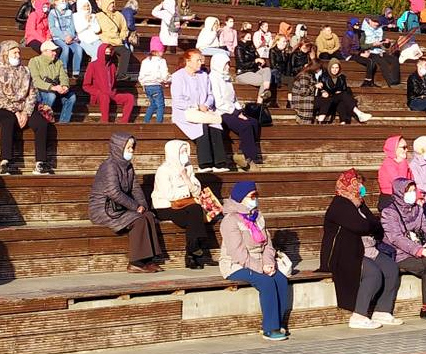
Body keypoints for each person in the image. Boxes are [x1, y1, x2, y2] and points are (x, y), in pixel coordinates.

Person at [320, 169, 400, 329]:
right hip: (344, 254)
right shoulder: (340, 204)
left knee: (391, 268)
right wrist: (369, 225)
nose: (362, 188)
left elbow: (377, 227)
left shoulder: (359, 204)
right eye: (359, 184)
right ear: (351, 185)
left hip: (367, 249)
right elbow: (361, 225)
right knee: (373, 273)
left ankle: (382, 310)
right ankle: (359, 315)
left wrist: (369, 225)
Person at [219, 181, 292, 339]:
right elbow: (238, 254)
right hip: (236, 264)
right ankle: (269, 328)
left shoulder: (258, 217)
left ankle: (279, 323)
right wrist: (261, 268)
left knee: (280, 279)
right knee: (266, 282)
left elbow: (268, 245)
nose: (256, 199)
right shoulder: (230, 221)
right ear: (241, 199)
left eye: (256, 195)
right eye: (252, 196)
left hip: (261, 262)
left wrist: (269, 263)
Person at [89, 133, 169, 272]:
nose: (131, 150)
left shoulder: (128, 166)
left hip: (119, 208)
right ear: (118, 148)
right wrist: (135, 207)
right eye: (128, 147)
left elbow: (135, 188)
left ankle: (149, 259)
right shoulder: (109, 166)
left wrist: (143, 206)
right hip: (103, 209)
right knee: (138, 220)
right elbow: (113, 192)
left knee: (148, 216)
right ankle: (136, 263)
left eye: (132, 147)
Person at [382, 178, 426, 320]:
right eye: (409, 191)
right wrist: (421, 251)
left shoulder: (418, 209)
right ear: (400, 192)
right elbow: (396, 238)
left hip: (419, 250)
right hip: (400, 254)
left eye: (414, 191)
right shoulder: (389, 212)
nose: (413, 194)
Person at [151, 139, 218, 269]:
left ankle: (192, 252)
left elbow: (197, 190)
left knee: (195, 211)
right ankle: (198, 252)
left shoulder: (188, 167)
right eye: (182, 152)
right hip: (165, 206)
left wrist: (186, 178)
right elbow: (169, 195)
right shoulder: (163, 170)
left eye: (186, 152)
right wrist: (188, 189)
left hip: (185, 205)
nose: (186, 155)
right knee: (195, 212)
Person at [0, 41, 54, 174]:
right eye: (14, 52)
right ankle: (5, 161)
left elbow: (32, 92)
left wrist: (26, 112)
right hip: (4, 107)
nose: (18, 55)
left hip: (24, 107)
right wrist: (15, 111)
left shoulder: (25, 70)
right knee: (8, 121)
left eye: (19, 52)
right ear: (6, 54)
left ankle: (40, 162)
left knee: (41, 123)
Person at [172, 51, 233, 170]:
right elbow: (177, 100)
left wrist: (205, 104)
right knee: (201, 126)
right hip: (185, 112)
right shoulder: (178, 76)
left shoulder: (203, 75)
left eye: (201, 60)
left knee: (215, 124)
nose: (201, 63)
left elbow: (210, 95)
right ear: (188, 62)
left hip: (204, 111)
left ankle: (220, 162)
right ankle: (205, 163)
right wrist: (196, 105)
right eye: (198, 60)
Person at [86, 42, 136, 124]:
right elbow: (86, 85)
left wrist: (113, 91)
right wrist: (98, 92)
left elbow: (112, 83)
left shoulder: (112, 66)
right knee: (104, 97)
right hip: (100, 96)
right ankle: (104, 122)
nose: (107, 55)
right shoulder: (92, 65)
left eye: (109, 53)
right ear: (101, 52)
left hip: (112, 94)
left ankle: (124, 122)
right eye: (106, 53)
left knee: (129, 97)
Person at [375, 135, 411, 208]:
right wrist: (403, 163)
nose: (406, 150)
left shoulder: (405, 163)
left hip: (403, 198)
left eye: (407, 147)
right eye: (404, 147)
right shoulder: (388, 164)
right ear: (394, 149)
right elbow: (400, 183)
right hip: (390, 201)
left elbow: (412, 181)